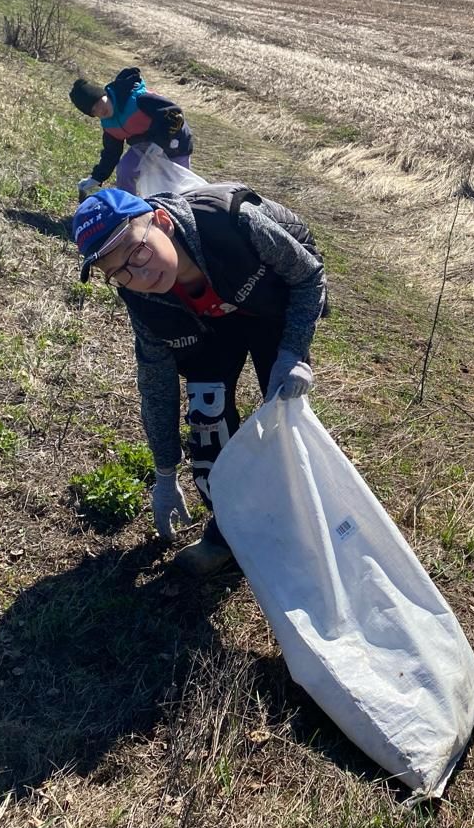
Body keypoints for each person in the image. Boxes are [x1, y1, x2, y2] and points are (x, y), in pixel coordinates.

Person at [71, 183, 326, 575]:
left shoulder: (229, 222)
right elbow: (156, 382)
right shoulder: (143, 298)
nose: (138, 273)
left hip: (272, 304)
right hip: (209, 320)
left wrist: (293, 352)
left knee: (283, 408)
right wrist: (165, 472)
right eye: (119, 271)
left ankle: (304, 524)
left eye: (137, 251)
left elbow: (307, 277)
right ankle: (229, 530)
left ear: (160, 222)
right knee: (207, 419)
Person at [69, 68, 194, 199]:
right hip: (144, 146)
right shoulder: (109, 125)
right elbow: (111, 153)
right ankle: (131, 207)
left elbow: (175, 115)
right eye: (93, 112)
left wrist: (161, 143)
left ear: (103, 95)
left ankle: (184, 210)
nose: (100, 110)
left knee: (178, 183)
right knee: (125, 170)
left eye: (97, 103)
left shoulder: (138, 100)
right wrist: (97, 178)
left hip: (176, 143)